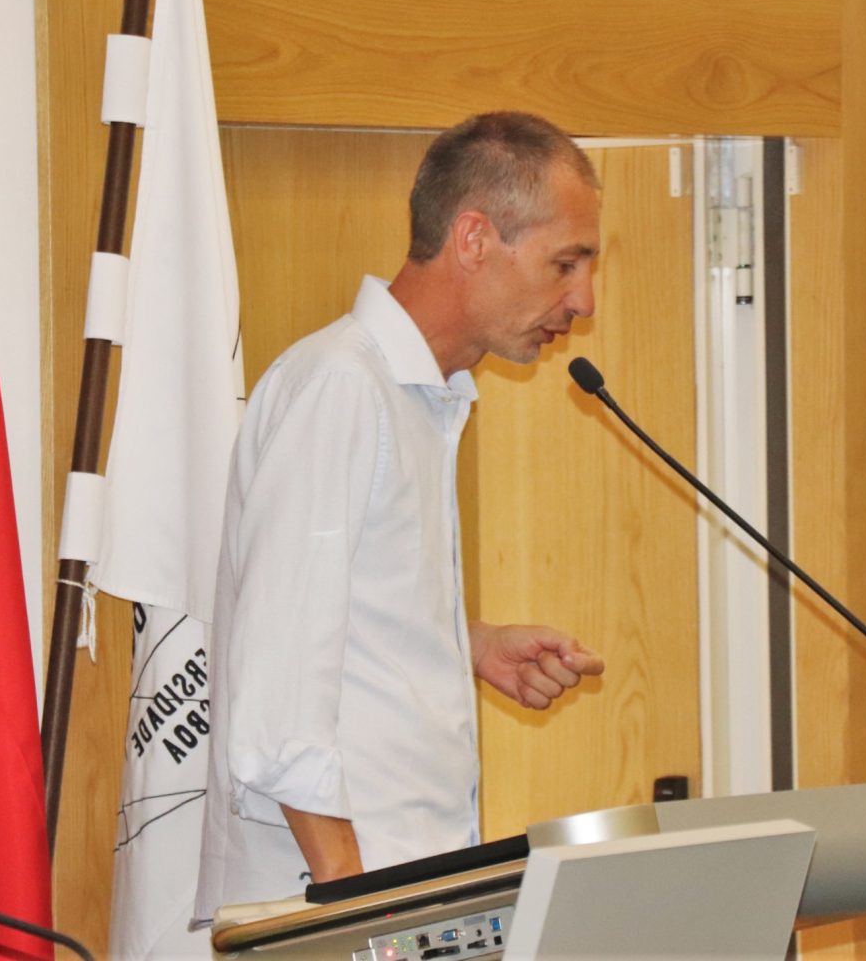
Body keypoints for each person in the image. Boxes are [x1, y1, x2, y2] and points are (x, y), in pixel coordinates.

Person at [194, 111, 607, 922]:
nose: (583, 301)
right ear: (474, 238)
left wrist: (464, 643)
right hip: (340, 909)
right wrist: (358, 914)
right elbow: (279, 698)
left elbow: (336, 611)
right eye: (565, 263)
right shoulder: (342, 389)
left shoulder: (423, 396)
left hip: (406, 896)